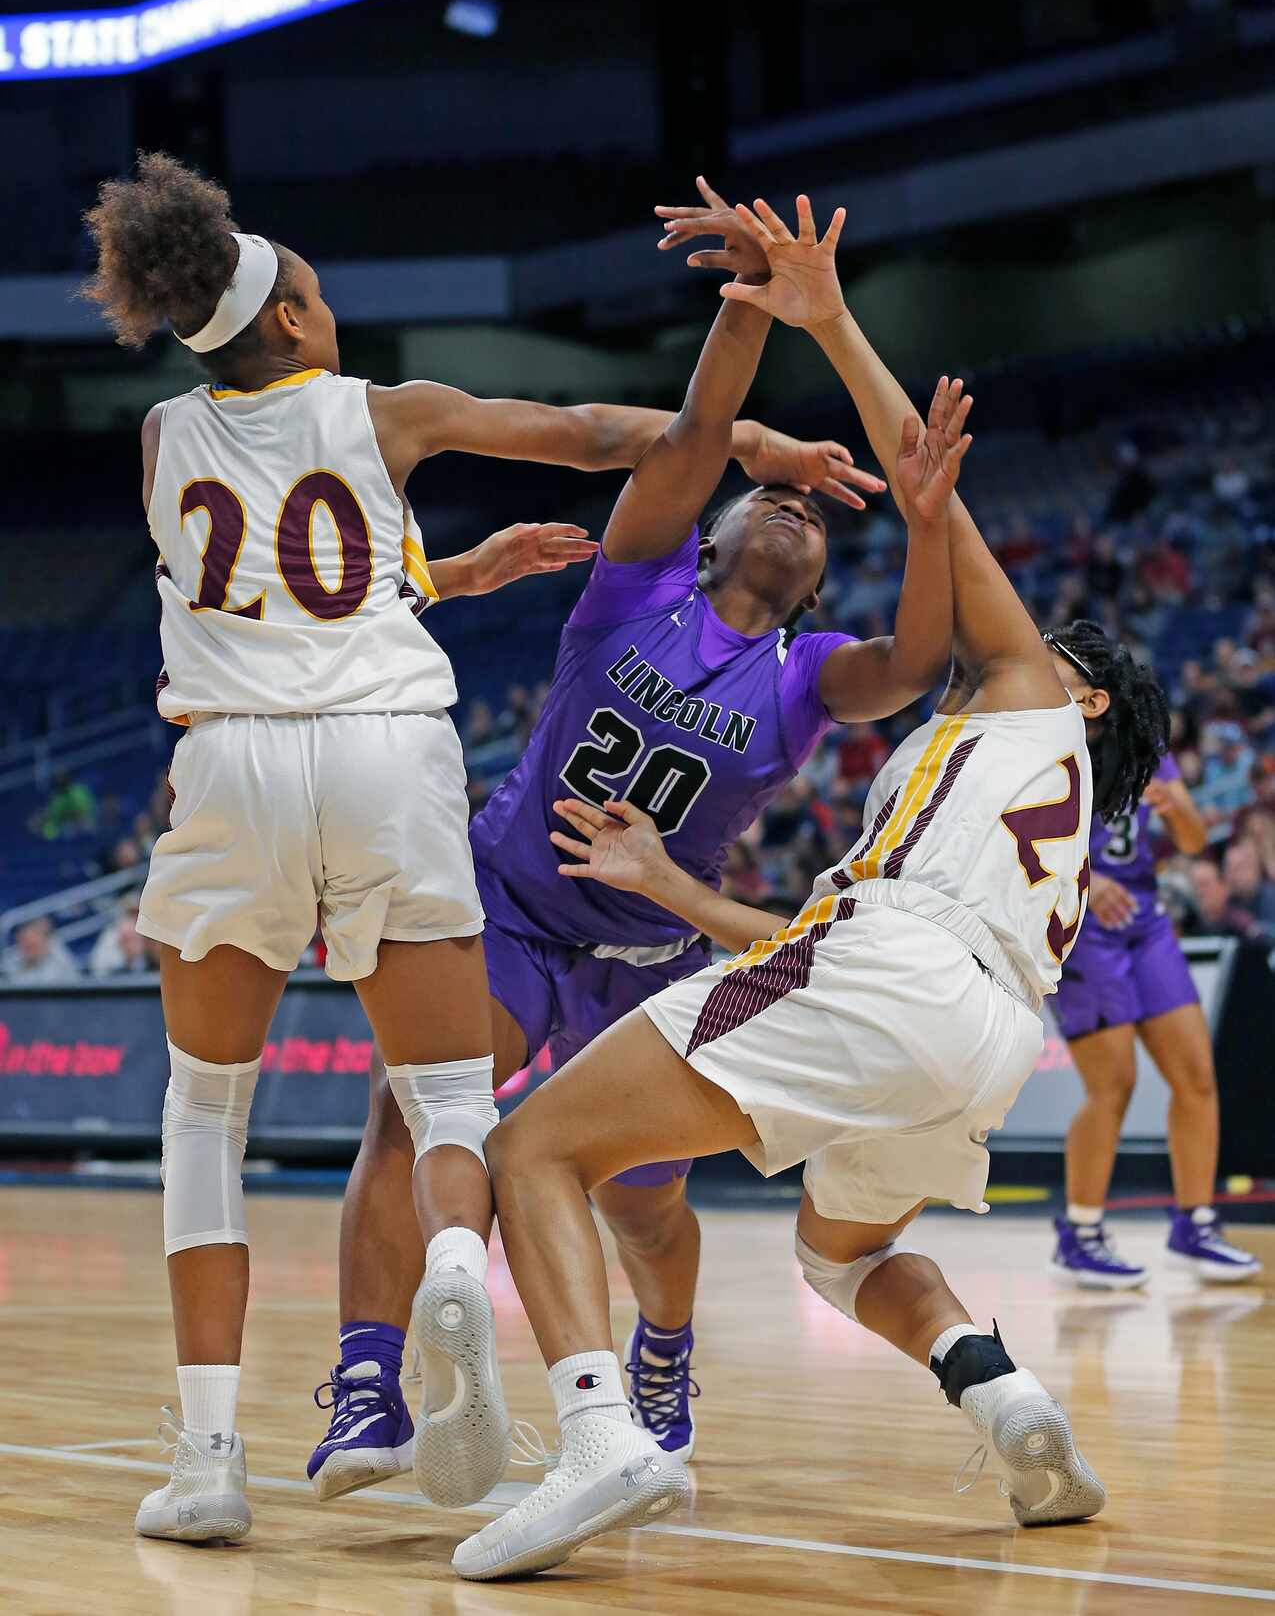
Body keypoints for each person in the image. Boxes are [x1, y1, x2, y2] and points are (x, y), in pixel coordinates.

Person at [81, 153, 850, 1543]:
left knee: (203, 1112)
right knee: (448, 1105)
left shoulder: (158, 438)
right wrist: (751, 443)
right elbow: (598, 432)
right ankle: (454, 1258)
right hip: (383, 750)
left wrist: (439, 572)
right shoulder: (391, 411)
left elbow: (264, 585)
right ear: (302, 323)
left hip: (229, 763)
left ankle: (206, 1458)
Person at [452, 195, 1164, 1582]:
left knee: (529, 1149)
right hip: (983, 1039)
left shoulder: (1023, 696)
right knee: (840, 1254)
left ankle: (598, 1437)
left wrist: (827, 316)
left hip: (887, 970)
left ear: (1076, 691)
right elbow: (816, 932)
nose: (1012, 636)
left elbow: (928, 503)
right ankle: (1003, 1392)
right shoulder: (1056, 822)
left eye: (1044, 641)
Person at [311, 176, 916, 1499]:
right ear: (710, 536)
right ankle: (369, 1381)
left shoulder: (814, 675)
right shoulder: (632, 583)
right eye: (773, 499)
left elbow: (920, 654)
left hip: (648, 952)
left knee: (641, 1201)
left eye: (816, 521)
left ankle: (661, 1345)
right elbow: (698, 429)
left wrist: (926, 503)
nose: (792, 510)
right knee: (417, 1106)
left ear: (815, 583)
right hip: (513, 900)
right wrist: (753, 309)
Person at [1047, 625, 1260, 1288]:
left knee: (1195, 1076)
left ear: (1094, 697)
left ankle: (1193, 1223)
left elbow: (1194, 843)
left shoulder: (1144, 746)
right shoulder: (1032, 748)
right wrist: (1083, 875)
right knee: (1111, 1086)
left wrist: (1176, 808)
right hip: (1077, 923)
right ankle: (1079, 1231)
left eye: (1056, 666)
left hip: (1145, 921)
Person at [1, 915, 77, 985]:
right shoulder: (11, 961)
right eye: (23, 943)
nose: (26, 949)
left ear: (45, 942)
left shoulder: (60, 962)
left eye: (31, 945)